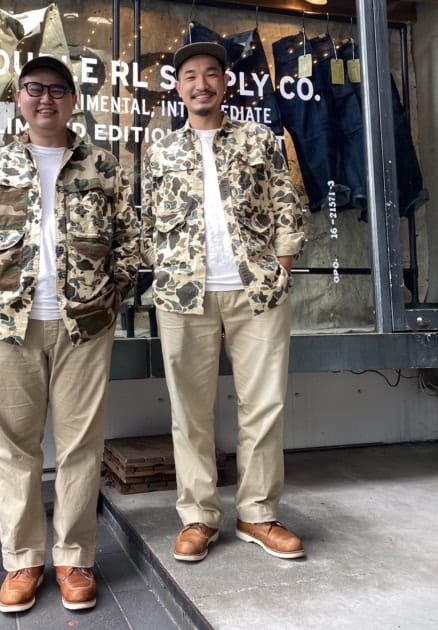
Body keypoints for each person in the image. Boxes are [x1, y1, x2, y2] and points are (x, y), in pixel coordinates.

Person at [0, 55, 139, 612]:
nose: (46, 99)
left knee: (81, 445)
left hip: (85, 327)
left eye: (57, 90)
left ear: (73, 100)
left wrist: (111, 297)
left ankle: (75, 558)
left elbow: (130, 241)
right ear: (19, 98)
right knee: (14, 445)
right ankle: (23, 560)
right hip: (10, 328)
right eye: (35, 88)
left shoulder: (103, 166)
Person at [141, 42, 305, 562]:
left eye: (211, 73)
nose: (202, 84)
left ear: (226, 82)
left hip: (255, 287)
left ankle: (258, 512)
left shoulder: (259, 139)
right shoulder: (161, 151)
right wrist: (164, 269)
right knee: (190, 409)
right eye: (190, 75)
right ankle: (199, 516)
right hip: (184, 293)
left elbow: (286, 199)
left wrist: (283, 263)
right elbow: (146, 220)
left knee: (264, 404)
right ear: (179, 87)